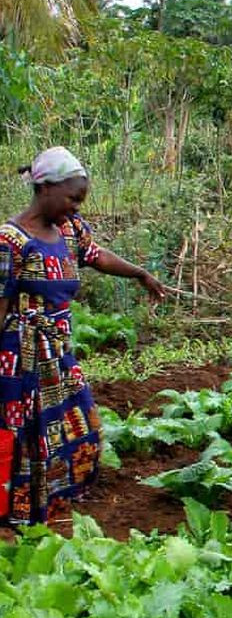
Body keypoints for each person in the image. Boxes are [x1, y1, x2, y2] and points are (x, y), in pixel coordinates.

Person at [0, 147, 165, 526]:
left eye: (80, 200)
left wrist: (140, 273)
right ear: (45, 188)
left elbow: (96, 255)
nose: (76, 207)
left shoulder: (70, 230)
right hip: (20, 359)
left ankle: (56, 505)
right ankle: (21, 518)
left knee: (80, 430)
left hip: (59, 354)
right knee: (27, 437)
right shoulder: (9, 241)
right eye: (72, 198)